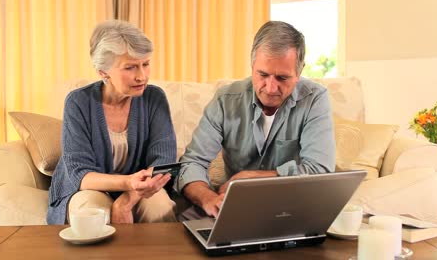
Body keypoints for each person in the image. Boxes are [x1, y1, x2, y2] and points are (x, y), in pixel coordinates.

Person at [175, 21, 336, 219]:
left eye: (282, 78)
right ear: (252, 66)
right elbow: (192, 163)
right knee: (186, 223)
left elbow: (319, 170)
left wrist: (250, 178)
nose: (270, 88)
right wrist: (209, 199)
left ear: (300, 72)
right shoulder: (225, 100)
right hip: (236, 207)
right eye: (263, 74)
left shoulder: (315, 99)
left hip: (292, 207)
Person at [47, 20, 177, 225]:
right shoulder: (78, 102)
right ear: (103, 72)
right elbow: (80, 174)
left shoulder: (154, 97)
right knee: (91, 211)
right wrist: (128, 182)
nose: (141, 76)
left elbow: (162, 161)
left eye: (146, 64)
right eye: (130, 67)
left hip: (138, 189)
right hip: (90, 188)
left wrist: (126, 201)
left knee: (158, 205)